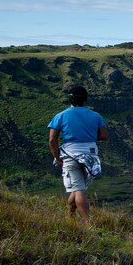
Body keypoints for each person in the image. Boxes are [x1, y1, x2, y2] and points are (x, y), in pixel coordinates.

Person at [48, 85, 108, 225]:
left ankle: (88, 224)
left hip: (70, 155)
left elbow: (52, 140)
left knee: (78, 189)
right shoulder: (95, 116)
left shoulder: (61, 116)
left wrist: (57, 158)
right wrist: (90, 138)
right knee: (77, 188)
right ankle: (70, 215)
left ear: (70, 98)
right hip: (90, 156)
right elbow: (104, 136)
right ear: (85, 99)